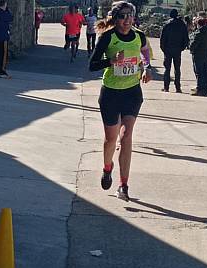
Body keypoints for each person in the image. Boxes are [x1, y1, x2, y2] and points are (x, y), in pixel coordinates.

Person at [89, 1, 151, 202]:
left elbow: (145, 53)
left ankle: (123, 185)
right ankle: (107, 168)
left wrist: (146, 69)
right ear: (115, 19)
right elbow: (92, 65)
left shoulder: (139, 36)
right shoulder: (108, 37)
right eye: (122, 16)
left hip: (132, 93)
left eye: (130, 16)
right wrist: (111, 61)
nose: (126, 20)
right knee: (111, 140)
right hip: (111, 94)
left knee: (126, 137)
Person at [160, 9, 189, 93]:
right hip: (177, 49)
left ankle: (166, 87)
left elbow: (162, 38)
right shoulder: (182, 24)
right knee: (177, 69)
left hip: (168, 49)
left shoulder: (167, 24)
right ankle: (178, 87)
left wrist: (163, 49)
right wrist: (182, 48)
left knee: (167, 69)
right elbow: (185, 38)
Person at [189, 17, 207, 96]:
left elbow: (194, 44)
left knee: (199, 72)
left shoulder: (199, 33)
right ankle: (206, 89)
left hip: (198, 55)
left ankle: (200, 89)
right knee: (206, 72)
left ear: (198, 24)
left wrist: (191, 47)